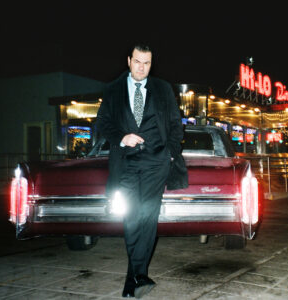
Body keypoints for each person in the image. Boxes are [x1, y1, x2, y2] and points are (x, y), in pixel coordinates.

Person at [96, 43, 187, 298]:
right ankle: (138, 274)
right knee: (131, 218)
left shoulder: (163, 89)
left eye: (147, 63)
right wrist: (123, 137)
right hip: (125, 162)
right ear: (128, 60)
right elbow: (102, 122)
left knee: (148, 217)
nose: (142, 67)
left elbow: (174, 125)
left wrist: (169, 153)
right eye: (137, 62)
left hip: (156, 163)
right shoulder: (113, 89)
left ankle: (133, 278)